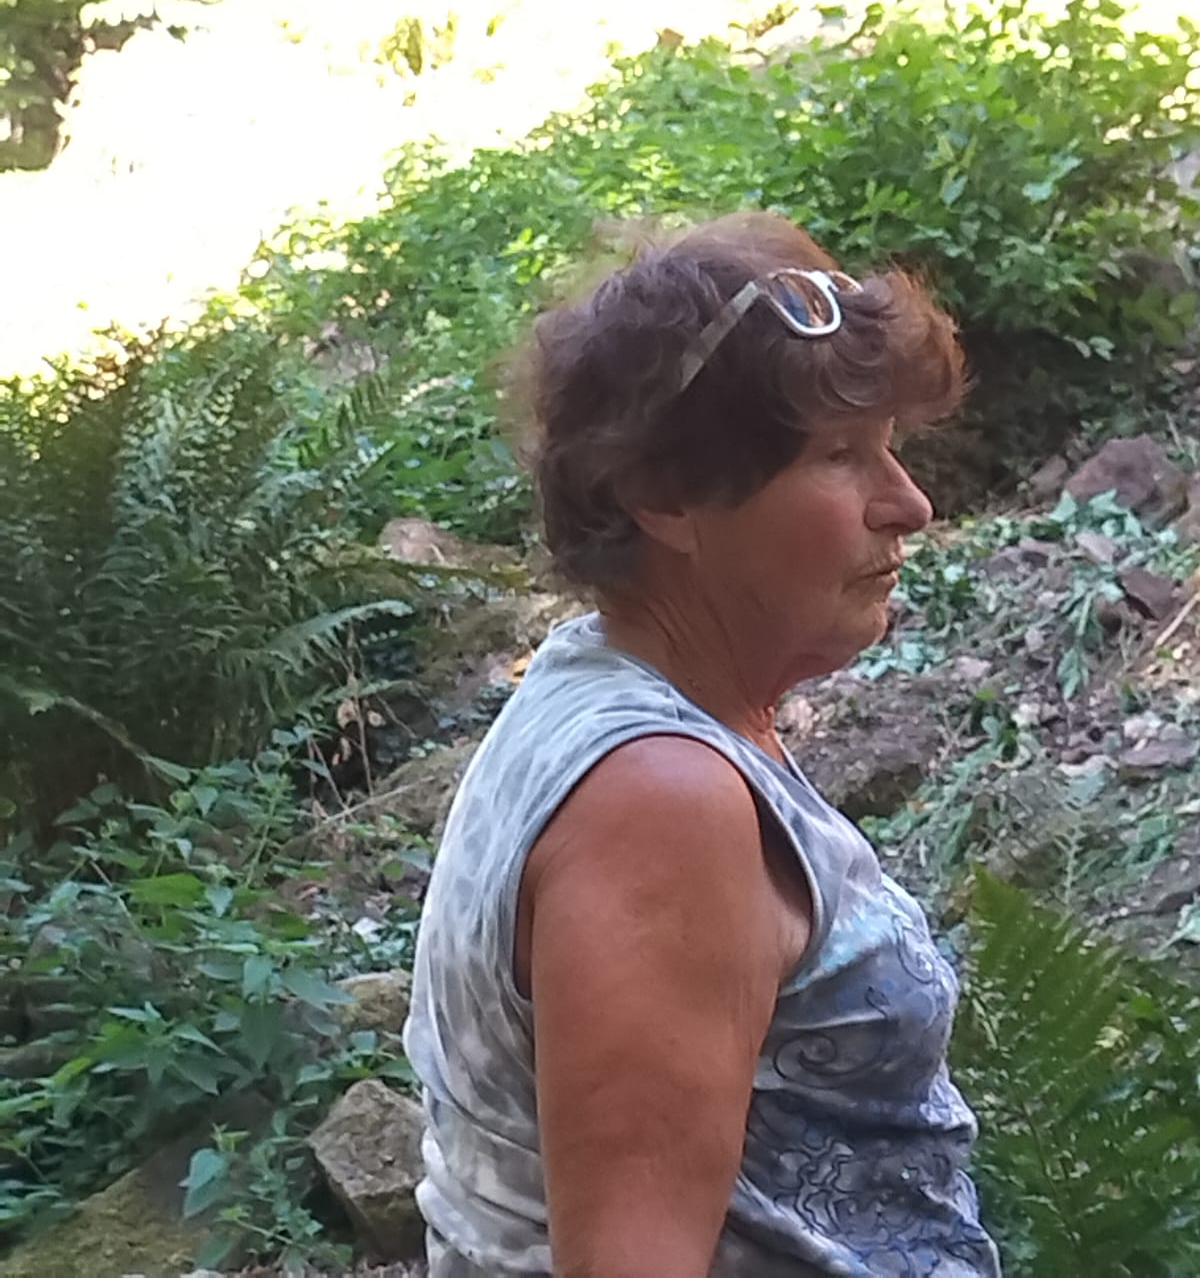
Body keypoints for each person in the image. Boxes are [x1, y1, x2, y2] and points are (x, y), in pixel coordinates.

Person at [403, 211, 1001, 1278]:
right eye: (840, 455)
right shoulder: (658, 804)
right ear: (663, 497)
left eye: (891, 448)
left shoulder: (616, 694)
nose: (908, 504)